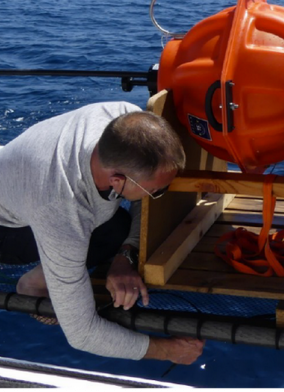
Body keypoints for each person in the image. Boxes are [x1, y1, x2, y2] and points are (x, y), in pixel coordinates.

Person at [0, 101, 204, 364]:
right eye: (156, 191)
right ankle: (34, 282)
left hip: (16, 178)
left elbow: (142, 195)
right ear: (117, 181)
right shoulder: (62, 211)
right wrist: (166, 351)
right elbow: (82, 334)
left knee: (117, 225)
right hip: (6, 230)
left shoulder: (124, 117)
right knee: (99, 227)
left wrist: (125, 255)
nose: (157, 198)